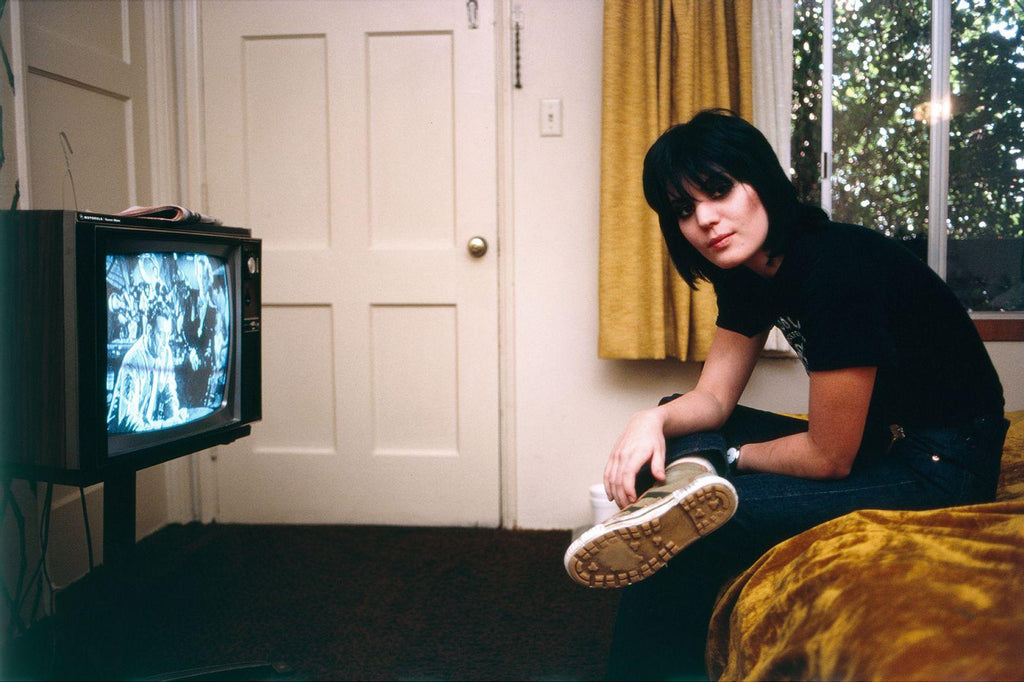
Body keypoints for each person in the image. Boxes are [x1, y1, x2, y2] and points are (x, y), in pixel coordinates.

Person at [563, 109, 1009, 681]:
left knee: (696, 528)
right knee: (678, 411)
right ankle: (688, 486)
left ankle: (688, 497)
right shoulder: (750, 271)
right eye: (683, 210)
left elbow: (829, 456)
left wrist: (726, 460)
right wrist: (646, 418)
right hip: (880, 439)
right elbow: (712, 399)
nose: (704, 219)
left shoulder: (836, 269)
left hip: (942, 464)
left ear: (762, 180)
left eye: (719, 190)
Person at [107, 301, 188, 433]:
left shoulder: (166, 352)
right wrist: (164, 426)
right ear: (149, 330)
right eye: (161, 334)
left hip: (146, 434)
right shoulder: (133, 361)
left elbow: (169, 393)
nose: (165, 342)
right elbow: (128, 421)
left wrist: (175, 419)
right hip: (120, 441)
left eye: (168, 334)